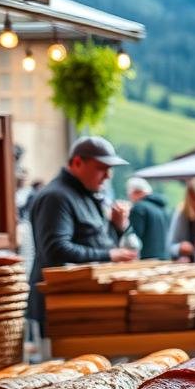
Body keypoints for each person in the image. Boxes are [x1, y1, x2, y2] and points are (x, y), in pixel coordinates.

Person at [27, 137, 139, 328]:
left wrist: (117, 227)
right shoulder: (56, 197)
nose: (108, 176)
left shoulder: (86, 193)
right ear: (78, 162)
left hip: (80, 303)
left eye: (110, 169)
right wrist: (110, 255)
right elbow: (56, 249)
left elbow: (97, 242)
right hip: (61, 306)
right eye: (101, 168)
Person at [126, 177, 171, 260]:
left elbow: (133, 239)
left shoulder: (139, 207)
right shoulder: (163, 208)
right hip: (165, 258)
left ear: (136, 192)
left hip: (146, 260)